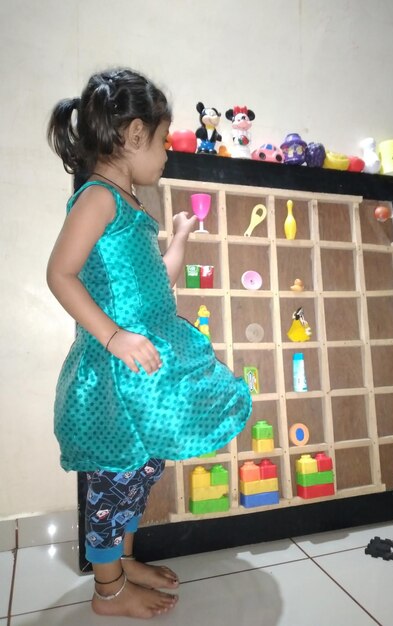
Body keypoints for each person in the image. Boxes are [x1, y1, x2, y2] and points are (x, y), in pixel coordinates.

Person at [46, 68, 252, 620]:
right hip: (114, 374)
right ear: (134, 134)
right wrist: (113, 336)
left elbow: (159, 279)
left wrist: (180, 237)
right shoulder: (97, 199)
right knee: (113, 482)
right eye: (163, 141)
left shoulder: (133, 209)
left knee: (139, 474)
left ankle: (126, 562)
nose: (165, 155)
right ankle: (107, 590)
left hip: (146, 373)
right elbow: (59, 274)